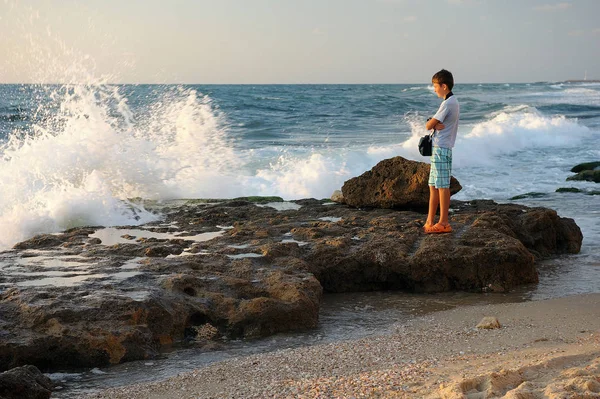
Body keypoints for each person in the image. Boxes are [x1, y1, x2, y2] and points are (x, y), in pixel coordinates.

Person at [424, 69, 460, 234]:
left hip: (442, 149)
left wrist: (432, 123)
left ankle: (444, 222)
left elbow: (428, 125)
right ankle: (430, 221)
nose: (434, 89)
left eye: (436, 86)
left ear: (444, 86)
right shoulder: (450, 102)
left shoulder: (448, 103)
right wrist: (433, 122)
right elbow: (433, 122)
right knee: (433, 185)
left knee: (442, 186)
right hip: (440, 148)